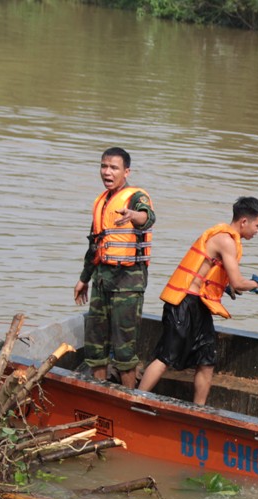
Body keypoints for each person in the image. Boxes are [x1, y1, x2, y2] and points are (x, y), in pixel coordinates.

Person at [137, 197, 258, 405]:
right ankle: (136, 400)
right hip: (184, 303)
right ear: (244, 222)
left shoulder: (227, 239)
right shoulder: (226, 240)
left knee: (206, 361)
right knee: (166, 357)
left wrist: (224, 287)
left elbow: (209, 273)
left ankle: (198, 410)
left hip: (199, 305)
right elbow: (238, 282)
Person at [73, 147, 155, 389]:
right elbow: (94, 245)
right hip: (101, 281)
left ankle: (128, 398)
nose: (107, 172)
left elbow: (147, 217)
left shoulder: (136, 197)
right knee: (95, 345)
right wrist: (84, 278)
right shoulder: (101, 202)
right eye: (103, 166)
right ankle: (100, 393)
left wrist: (132, 215)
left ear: (126, 171)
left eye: (113, 168)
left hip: (127, 284)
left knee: (124, 348)